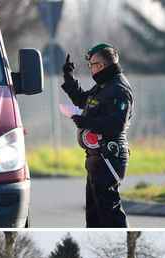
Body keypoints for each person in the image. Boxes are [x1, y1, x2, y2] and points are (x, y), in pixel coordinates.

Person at [61, 43, 134, 228]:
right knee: (94, 214)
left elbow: (116, 124)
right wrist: (69, 78)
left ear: (101, 66)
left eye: (92, 65)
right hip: (96, 158)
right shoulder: (104, 86)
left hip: (109, 155)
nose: (91, 69)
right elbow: (81, 100)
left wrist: (87, 123)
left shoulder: (119, 88)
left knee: (109, 213)